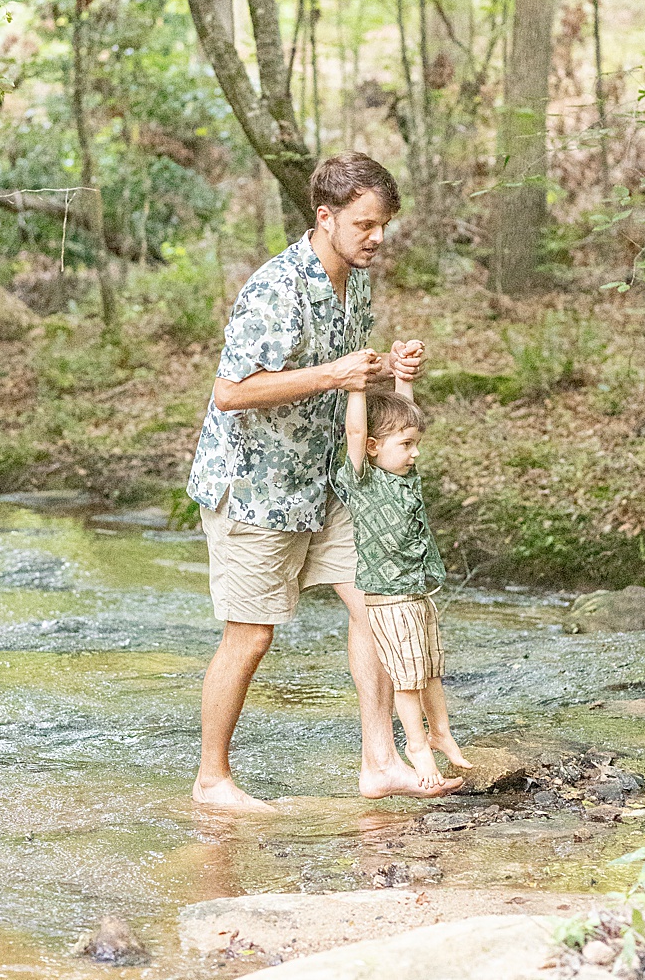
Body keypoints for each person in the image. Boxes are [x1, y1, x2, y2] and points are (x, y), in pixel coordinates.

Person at [185, 152, 451, 812]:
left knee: (381, 605)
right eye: (364, 224)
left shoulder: (352, 280)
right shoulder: (276, 287)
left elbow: (341, 370)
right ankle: (211, 779)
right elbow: (229, 390)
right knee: (250, 633)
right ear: (325, 217)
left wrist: (388, 366)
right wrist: (335, 374)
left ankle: (380, 761)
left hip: (324, 477)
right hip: (254, 486)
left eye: (383, 224)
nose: (377, 237)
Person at [340, 359, 469, 791]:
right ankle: (415, 746)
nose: (415, 453)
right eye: (406, 445)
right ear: (375, 447)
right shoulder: (362, 480)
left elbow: (401, 416)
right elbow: (357, 433)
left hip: (417, 591)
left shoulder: (404, 475)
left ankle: (441, 733)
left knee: (431, 670)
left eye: (416, 444)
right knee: (408, 678)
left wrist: (404, 382)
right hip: (388, 598)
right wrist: (356, 388)